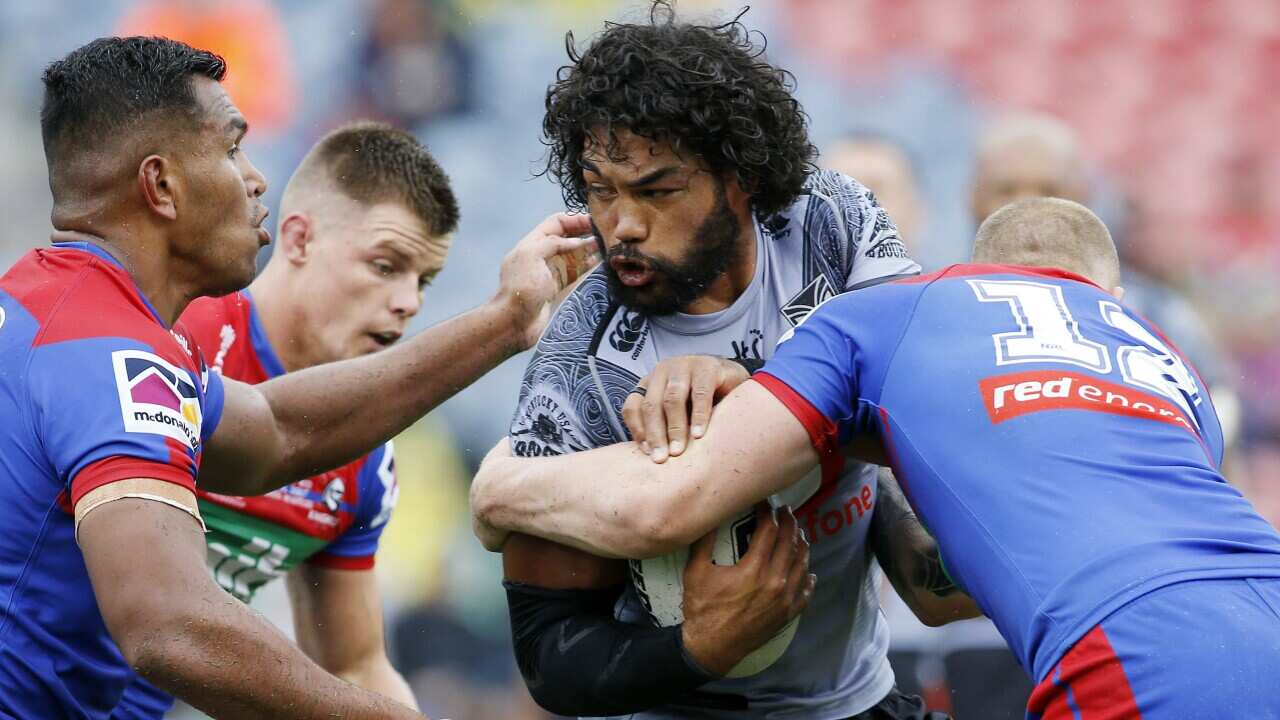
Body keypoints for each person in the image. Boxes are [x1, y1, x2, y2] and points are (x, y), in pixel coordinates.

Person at [473, 198, 1280, 718]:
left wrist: (504, 488)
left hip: (1138, 658)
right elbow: (953, 578)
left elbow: (666, 504)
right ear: (1110, 300)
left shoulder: (913, 312)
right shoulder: (1169, 363)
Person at [0, 36, 590, 719]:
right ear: (161, 185)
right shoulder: (110, 354)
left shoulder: (48, 307)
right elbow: (170, 628)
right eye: (230, 150)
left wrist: (509, 321)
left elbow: (276, 433)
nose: (255, 180)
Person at [495, 4, 971, 719]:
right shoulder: (578, 365)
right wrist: (698, 648)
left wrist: (754, 396)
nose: (621, 224)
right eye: (600, 191)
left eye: (657, 190)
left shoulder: (830, 224)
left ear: (740, 176)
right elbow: (549, 655)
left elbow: (924, 405)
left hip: (862, 700)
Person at [109, 121, 456, 717]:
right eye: (385, 265)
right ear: (296, 240)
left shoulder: (364, 456)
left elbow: (354, 665)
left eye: (423, 281)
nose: (409, 302)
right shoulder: (171, 339)